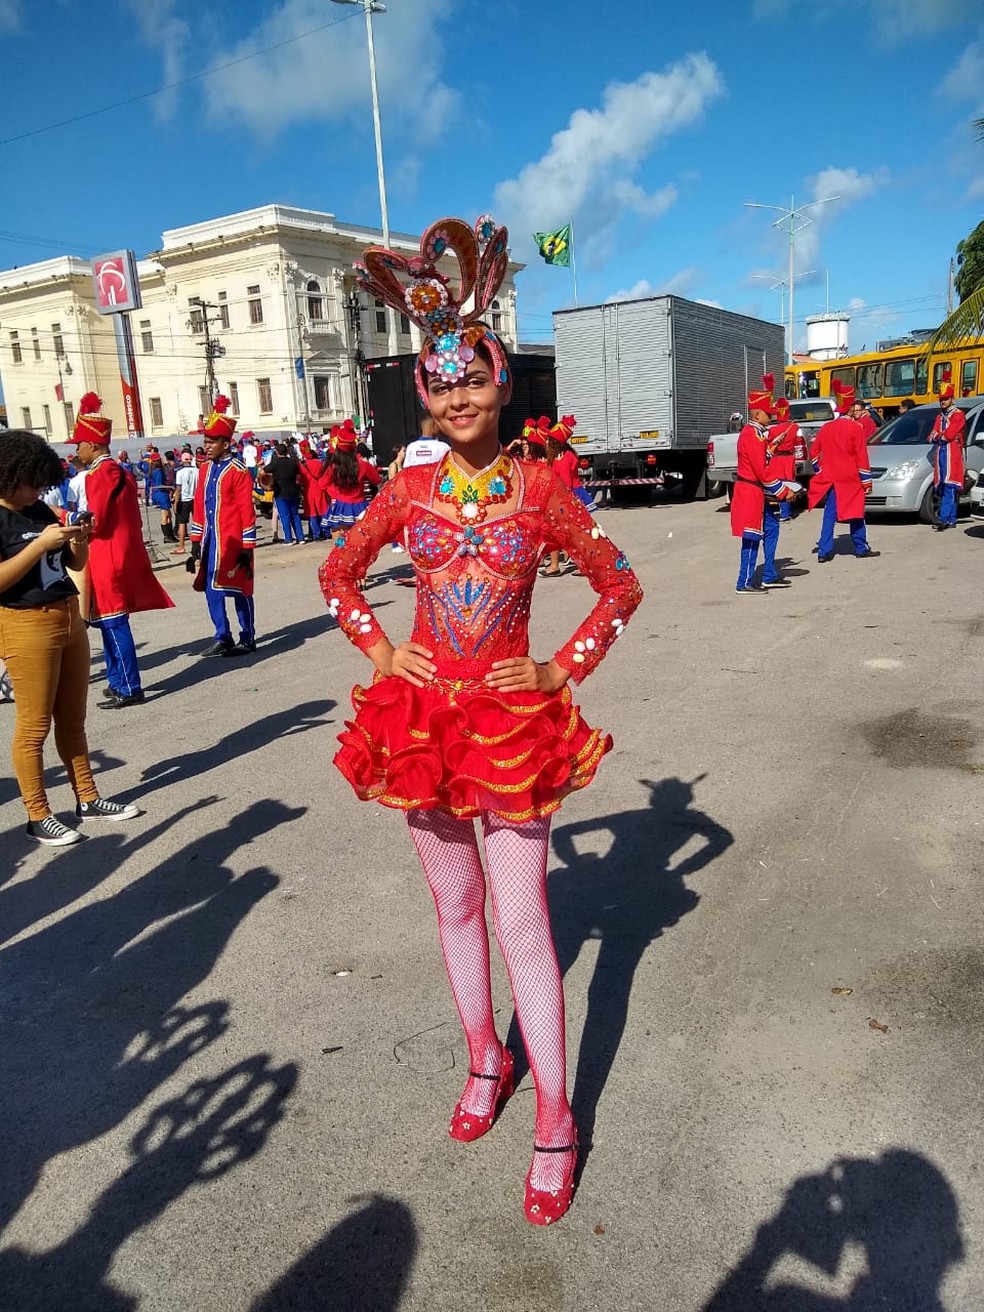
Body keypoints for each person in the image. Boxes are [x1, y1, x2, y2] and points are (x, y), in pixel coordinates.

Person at [320, 214, 643, 1226]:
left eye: (474, 375)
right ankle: (483, 1057)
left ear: (502, 381)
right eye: (440, 379)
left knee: (521, 920)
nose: (458, 392)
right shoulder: (406, 487)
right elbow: (337, 574)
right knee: (453, 913)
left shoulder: (543, 489)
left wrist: (559, 667)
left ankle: (556, 1113)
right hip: (419, 730)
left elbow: (619, 585)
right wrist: (379, 650)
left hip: (511, 726)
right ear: (425, 389)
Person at [0, 429, 140, 844]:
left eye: (41, 482)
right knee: (33, 727)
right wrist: (38, 544)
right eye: (31, 482)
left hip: (66, 618)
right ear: (9, 475)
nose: (37, 490)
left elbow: (69, 562)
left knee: (73, 721)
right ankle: (37, 814)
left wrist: (79, 540)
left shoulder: (41, 509)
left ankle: (88, 797)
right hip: (25, 622)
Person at [70, 394, 175, 708]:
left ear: (94, 446)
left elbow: (97, 521)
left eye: (80, 445)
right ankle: (118, 680)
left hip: (108, 556)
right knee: (107, 623)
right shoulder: (114, 472)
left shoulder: (103, 474)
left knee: (114, 623)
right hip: (112, 553)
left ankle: (129, 686)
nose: (76, 451)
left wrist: (68, 519)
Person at [188, 395, 257, 657]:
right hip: (210, 540)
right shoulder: (204, 469)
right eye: (205, 441)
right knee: (211, 589)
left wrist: (247, 547)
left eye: (211, 441)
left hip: (234, 541)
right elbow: (198, 504)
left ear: (225, 443)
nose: (206, 446)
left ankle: (247, 637)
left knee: (239, 588)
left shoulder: (238, 471)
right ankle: (223, 635)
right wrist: (196, 540)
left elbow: (246, 511)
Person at [730, 377, 797, 592]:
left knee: (771, 527)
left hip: (754, 490)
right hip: (750, 491)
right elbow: (762, 470)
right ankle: (745, 582)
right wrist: (783, 491)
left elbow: (759, 460)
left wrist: (770, 449)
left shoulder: (756, 434)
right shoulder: (752, 435)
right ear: (758, 414)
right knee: (751, 537)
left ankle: (768, 573)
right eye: (769, 414)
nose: (771, 418)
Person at [807, 380, 878, 562]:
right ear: (851, 409)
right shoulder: (856, 428)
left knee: (829, 515)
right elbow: (862, 457)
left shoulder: (826, 428)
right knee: (856, 514)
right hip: (851, 477)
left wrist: (820, 470)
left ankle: (824, 551)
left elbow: (814, 453)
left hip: (832, 477)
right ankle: (860, 547)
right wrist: (867, 481)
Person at [321, 420, 381, 543]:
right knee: (360, 541)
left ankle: (340, 558)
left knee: (340, 541)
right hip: (360, 506)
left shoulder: (334, 467)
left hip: (341, 506)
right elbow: (377, 479)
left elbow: (321, 484)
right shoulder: (363, 465)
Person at [928, 370, 966, 532]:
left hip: (952, 454)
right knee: (943, 486)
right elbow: (930, 437)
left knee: (950, 485)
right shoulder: (939, 417)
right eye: (941, 399)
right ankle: (951, 518)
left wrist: (940, 435)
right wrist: (940, 435)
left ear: (952, 399)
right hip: (941, 455)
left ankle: (944, 518)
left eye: (945, 399)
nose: (943, 402)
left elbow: (947, 436)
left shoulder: (958, 415)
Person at [267, 441, 306, 545]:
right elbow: (298, 476)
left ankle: (289, 538)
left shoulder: (275, 463)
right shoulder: (293, 462)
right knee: (295, 515)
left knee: (285, 516)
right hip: (293, 491)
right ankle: (301, 537)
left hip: (280, 492)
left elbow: (264, 471)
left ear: (277, 452)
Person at [768, 394, 799, 526]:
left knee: (780, 486)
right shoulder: (794, 427)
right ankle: (789, 510)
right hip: (790, 458)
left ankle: (784, 514)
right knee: (790, 483)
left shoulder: (773, 430)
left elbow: (769, 444)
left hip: (777, 459)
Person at [298, 439, 330, 541]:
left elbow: (300, 480)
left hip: (309, 490)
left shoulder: (302, 465)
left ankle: (317, 534)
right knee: (323, 510)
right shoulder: (319, 463)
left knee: (313, 513)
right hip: (320, 488)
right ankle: (326, 531)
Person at [171, 451, 199, 555]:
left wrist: (175, 503)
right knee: (197, 523)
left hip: (185, 500)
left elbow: (178, 489)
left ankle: (181, 546)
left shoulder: (180, 472)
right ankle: (197, 544)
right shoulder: (198, 471)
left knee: (182, 523)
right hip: (195, 499)